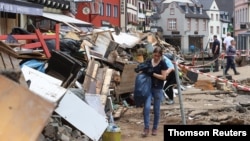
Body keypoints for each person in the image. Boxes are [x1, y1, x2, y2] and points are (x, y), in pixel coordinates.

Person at [141, 46, 168, 137]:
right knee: (147, 108)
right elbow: (144, 71)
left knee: (156, 109)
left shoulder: (162, 64)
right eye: (155, 55)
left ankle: (155, 128)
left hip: (158, 89)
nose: (156, 57)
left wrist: (153, 74)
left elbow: (164, 77)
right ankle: (146, 128)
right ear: (153, 54)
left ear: (160, 56)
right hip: (148, 88)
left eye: (158, 56)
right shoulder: (149, 61)